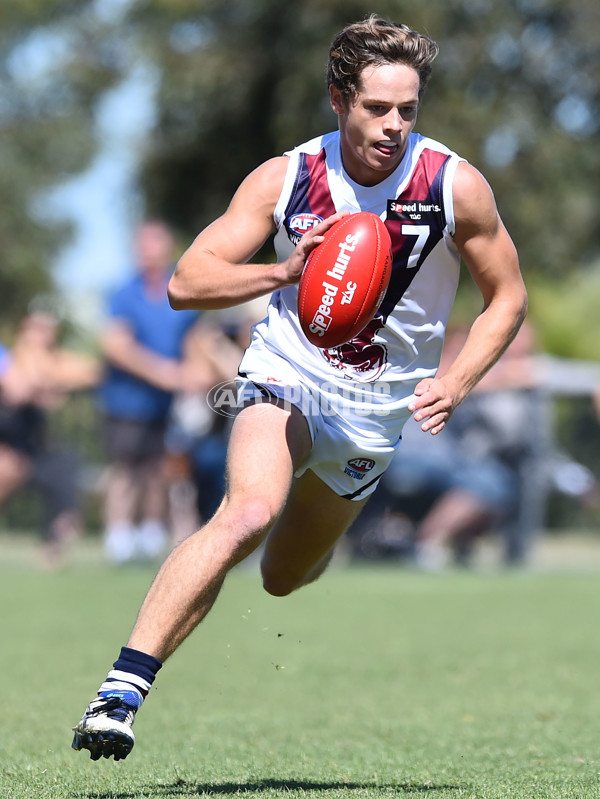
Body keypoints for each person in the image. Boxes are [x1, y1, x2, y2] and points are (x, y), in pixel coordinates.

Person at [72, 15, 527, 760]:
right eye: (377, 108)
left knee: (284, 576)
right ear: (337, 99)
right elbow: (188, 282)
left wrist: (459, 380)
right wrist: (283, 272)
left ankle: (309, 538)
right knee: (247, 511)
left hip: (377, 414)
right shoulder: (289, 177)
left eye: (407, 110)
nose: (393, 125)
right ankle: (120, 692)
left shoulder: (453, 184)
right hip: (288, 372)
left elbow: (506, 296)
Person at [97, 220, 199, 564]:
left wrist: (197, 372)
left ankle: (152, 535)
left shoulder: (181, 290)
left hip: (165, 405)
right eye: (141, 245)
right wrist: (162, 373)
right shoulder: (123, 292)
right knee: (125, 470)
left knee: (160, 469)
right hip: (126, 401)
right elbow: (115, 345)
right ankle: (119, 539)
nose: (146, 252)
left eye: (153, 244)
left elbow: (195, 340)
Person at [0, 311, 100, 566]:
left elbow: (92, 372)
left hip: (32, 450)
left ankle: (54, 541)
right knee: (8, 467)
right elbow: (18, 388)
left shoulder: (49, 360)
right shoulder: (11, 358)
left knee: (65, 466)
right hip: (8, 448)